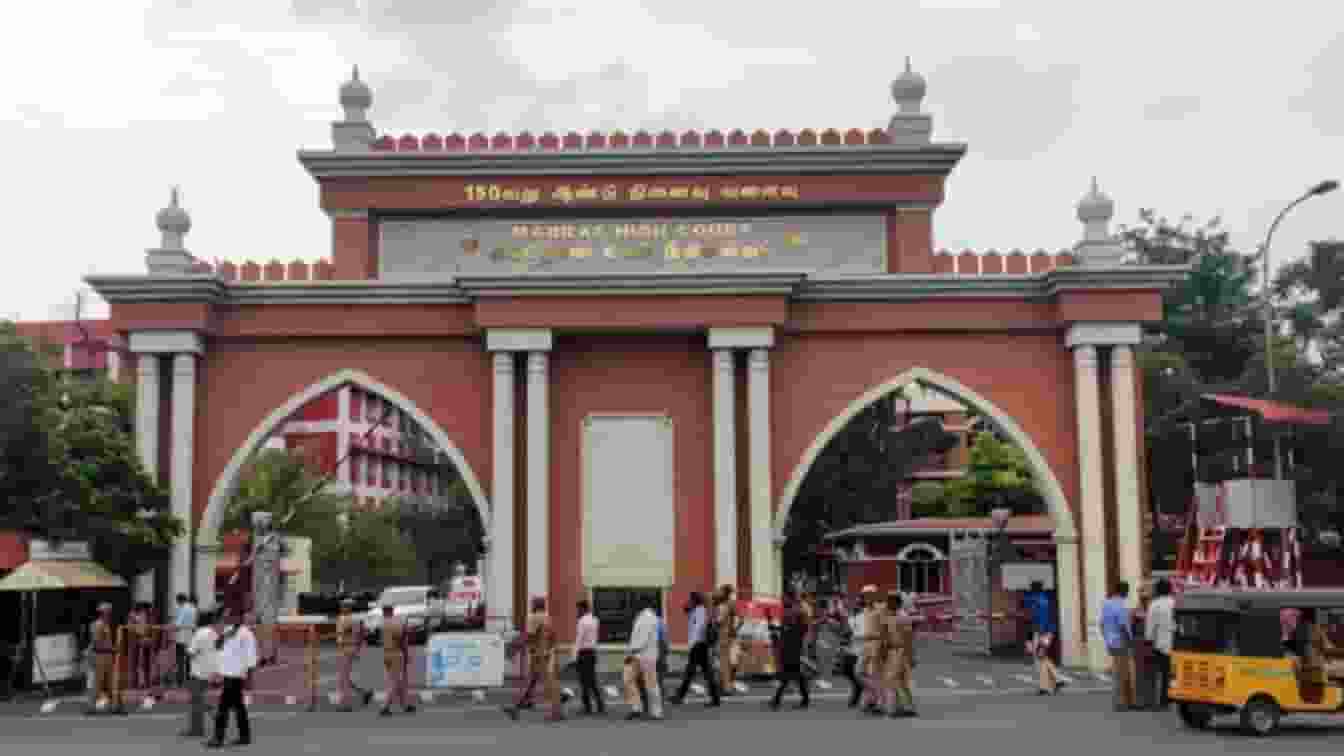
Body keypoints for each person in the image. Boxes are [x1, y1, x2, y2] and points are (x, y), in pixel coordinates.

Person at [505, 597, 562, 722]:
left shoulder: (534, 618)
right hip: (546, 654)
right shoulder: (548, 618)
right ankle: (517, 707)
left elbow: (528, 636)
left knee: (548, 684)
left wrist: (513, 647)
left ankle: (556, 712)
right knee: (531, 682)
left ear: (536, 606)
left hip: (538, 656)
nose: (531, 606)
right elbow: (552, 636)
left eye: (532, 604)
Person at [209, 607, 257, 748]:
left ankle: (218, 738)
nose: (227, 617)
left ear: (239, 617)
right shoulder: (227, 631)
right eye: (226, 615)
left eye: (230, 615)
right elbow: (218, 648)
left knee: (223, 707)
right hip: (227, 674)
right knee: (239, 707)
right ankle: (244, 736)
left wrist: (249, 678)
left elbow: (251, 657)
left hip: (236, 676)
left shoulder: (246, 634)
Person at [672, 591, 721, 706]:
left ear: (694, 601)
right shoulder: (699, 610)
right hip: (700, 644)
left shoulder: (700, 611)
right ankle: (715, 698)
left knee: (690, 672)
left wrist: (696, 643)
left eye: (691, 599)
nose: (689, 601)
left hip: (698, 644)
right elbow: (685, 608)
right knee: (707, 672)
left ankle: (680, 696)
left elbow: (700, 627)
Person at [623, 597, 663, 721]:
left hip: (644, 656)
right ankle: (637, 708)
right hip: (641, 655)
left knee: (650, 684)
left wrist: (630, 653)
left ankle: (655, 712)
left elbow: (642, 640)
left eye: (636, 603)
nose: (634, 606)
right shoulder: (644, 616)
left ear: (643, 604)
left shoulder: (648, 617)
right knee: (629, 680)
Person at [768, 593, 810, 711]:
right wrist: (776, 628)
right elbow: (786, 628)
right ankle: (805, 699)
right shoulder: (789, 611)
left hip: (793, 646)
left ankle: (776, 700)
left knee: (787, 674)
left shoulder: (798, 611)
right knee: (795, 674)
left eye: (785, 598)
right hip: (787, 646)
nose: (783, 600)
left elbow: (802, 628)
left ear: (790, 599)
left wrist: (789, 632)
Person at [1101, 581, 1137, 712]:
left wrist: (1106, 638)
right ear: (1125, 592)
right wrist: (1130, 642)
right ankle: (1122, 703)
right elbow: (1123, 626)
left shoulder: (1106, 604)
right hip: (1121, 641)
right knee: (1123, 674)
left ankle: (1124, 701)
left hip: (1111, 641)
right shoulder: (1122, 606)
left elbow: (1101, 624)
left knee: (1118, 672)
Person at [181, 609, 218, 738]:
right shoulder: (213, 633)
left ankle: (197, 728)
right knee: (196, 699)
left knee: (196, 700)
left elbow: (191, 652)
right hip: (210, 670)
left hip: (198, 670)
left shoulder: (199, 634)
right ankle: (207, 717)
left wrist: (186, 650)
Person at [881, 592, 918, 718]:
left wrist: (911, 656)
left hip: (900, 651)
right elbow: (886, 635)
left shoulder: (903, 616)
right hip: (893, 651)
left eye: (890, 601)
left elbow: (908, 638)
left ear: (897, 603)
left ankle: (894, 709)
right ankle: (907, 707)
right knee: (901, 681)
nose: (887, 603)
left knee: (892, 680)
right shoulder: (890, 615)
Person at [335, 599, 374, 711]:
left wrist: (355, 647)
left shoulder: (347, 619)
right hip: (348, 648)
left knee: (343, 678)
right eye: (342, 606)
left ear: (348, 608)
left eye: (344, 606)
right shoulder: (354, 619)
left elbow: (360, 633)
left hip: (346, 648)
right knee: (345, 677)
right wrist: (357, 648)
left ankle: (345, 704)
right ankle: (364, 693)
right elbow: (362, 633)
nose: (342, 608)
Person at [1024, 580, 1062, 695]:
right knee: (1042, 657)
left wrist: (1037, 636)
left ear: (1033, 590)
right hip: (1049, 631)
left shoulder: (1036, 601)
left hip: (1041, 632)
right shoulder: (1045, 599)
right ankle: (1055, 680)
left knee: (1039, 659)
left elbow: (1037, 618)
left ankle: (1046, 686)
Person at [1144, 579, 1175, 710]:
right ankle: (1171, 697)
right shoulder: (1175, 602)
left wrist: (1148, 639)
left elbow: (1150, 625)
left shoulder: (1154, 605)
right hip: (1175, 641)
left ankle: (1162, 700)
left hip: (1160, 643)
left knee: (1162, 673)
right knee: (1172, 672)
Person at [380, 605, 415, 716]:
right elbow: (402, 641)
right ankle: (385, 706)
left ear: (383, 612)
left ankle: (405, 705)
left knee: (396, 681)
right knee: (395, 682)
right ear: (392, 611)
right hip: (396, 653)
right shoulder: (397, 623)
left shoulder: (382, 624)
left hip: (386, 653)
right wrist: (406, 654)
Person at [573, 599, 604, 716]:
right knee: (592, 681)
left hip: (583, 653)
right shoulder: (595, 620)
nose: (577, 612)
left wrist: (574, 656)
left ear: (582, 609)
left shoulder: (582, 621)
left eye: (578, 609)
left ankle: (587, 707)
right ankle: (600, 705)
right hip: (592, 653)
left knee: (584, 681)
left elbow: (579, 640)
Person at [86, 603, 118, 714]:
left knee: (110, 683)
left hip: (106, 656)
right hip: (100, 657)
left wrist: (111, 649)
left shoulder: (105, 625)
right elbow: (96, 644)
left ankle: (115, 706)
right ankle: (91, 707)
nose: (110, 614)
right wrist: (111, 648)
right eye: (108, 612)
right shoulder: (97, 625)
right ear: (103, 613)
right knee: (97, 684)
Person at [858, 585, 883, 714]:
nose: (866, 598)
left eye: (869, 595)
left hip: (876, 643)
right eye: (865, 595)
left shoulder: (881, 609)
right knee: (859, 672)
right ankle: (875, 696)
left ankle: (874, 701)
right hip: (866, 644)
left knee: (873, 674)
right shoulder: (865, 609)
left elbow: (886, 628)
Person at [715, 585, 741, 695]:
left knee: (725, 663)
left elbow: (739, 619)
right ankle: (724, 686)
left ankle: (726, 688)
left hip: (725, 637)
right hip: (724, 636)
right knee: (725, 663)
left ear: (725, 593)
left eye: (721, 591)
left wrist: (733, 630)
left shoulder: (728, 605)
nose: (718, 593)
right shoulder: (724, 604)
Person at [841, 594, 866, 708]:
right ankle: (859, 687)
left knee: (857, 673)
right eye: (854, 603)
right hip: (850, 649)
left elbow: (864, 633)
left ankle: (863, 692)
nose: (854, 604)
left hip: (861, 650)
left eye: (857, 603)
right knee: (846, 670)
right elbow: (847, 630)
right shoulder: (851, 617)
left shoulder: (864, 617)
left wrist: (852, 635)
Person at [173, 594, 197, 688]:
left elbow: (178, 623)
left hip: (181, 637)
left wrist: (171, 627)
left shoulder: (182, 608)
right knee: (189, 661)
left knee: (179, 660)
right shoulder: (193, 608)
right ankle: (189, 680)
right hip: (190, 637)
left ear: (179, 601)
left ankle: (180, 682)